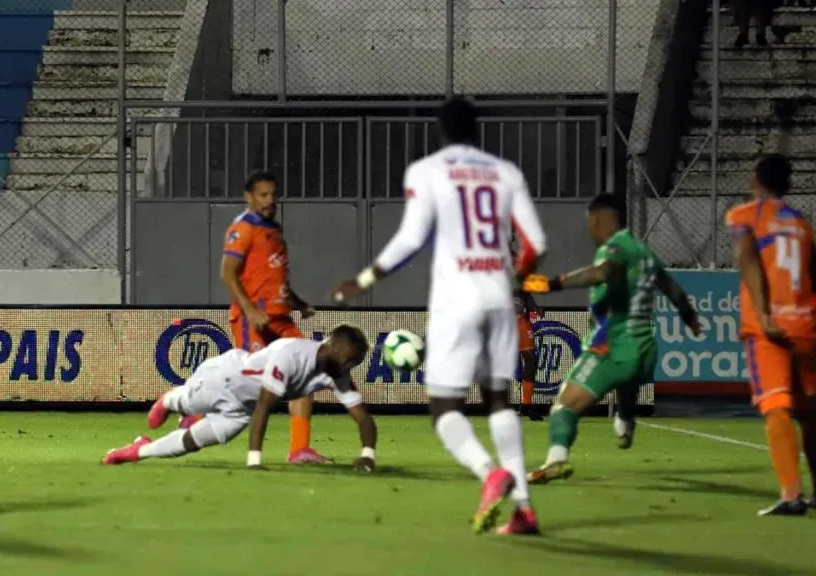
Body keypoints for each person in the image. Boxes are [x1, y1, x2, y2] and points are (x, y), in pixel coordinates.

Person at [333, 97, 548, 535]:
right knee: (499, 402)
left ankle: (490, 472)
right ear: (477, 130)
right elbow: (536, 245)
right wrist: (514, 278)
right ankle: (524, 508)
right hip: (498, 298)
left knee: (446, 409)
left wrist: (365, 278)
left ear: (442, 132)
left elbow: (411, 237)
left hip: (457, 299)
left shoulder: (428, 171)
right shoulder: (506, 173)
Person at [521, 194, 701, 484]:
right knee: (627, 382)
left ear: (599, 220)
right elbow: (673, 289)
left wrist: (554, 283)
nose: (590, 230)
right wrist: (690, 319)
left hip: (614, 346)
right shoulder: (645, 253)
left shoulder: (614, 249)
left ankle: (555, 460)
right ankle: (626, 419)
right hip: (646, 350)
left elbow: (602, 272)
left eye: (591, 224)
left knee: (563, 408)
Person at [103, 326, 377, 471]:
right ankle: (168, 400)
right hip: (224, 379)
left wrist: (368, 456)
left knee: (190, 443)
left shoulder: (337, 375)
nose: (351, 366)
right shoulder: (293, 355)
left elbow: (363, 418)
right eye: (351, 359)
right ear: (335, 346)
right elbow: (265, 406)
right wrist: (254, 461)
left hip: (242, 409)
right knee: (188, 402)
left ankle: (138, 451)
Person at [723, 154, 816, 516]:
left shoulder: (745, 216)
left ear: (755, 180)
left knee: (776, 405)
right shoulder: (802, 222)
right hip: (806, 323)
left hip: (769, 327)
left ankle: (791, 494)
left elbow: (748, 260)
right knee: (808, 411)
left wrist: (767, 314)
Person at [200, 170, 327, 464]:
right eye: (263, 195)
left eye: (273, 194)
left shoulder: (275, 230)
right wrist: (250, 310)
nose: (270, 200)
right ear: (249, 197)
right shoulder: (242, 228)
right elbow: (227, 274)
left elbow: (273, 278)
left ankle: (299, 449)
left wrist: (298, 303)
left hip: (280, 319)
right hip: (253, 320)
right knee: (249, 383)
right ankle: (197, 413)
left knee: (306, 372)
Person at [511, 235, 545, 422]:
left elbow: (524, 290)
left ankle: (526, 404)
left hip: (519, 318)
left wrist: (534, 307)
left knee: (531, 359)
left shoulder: (517, 260)